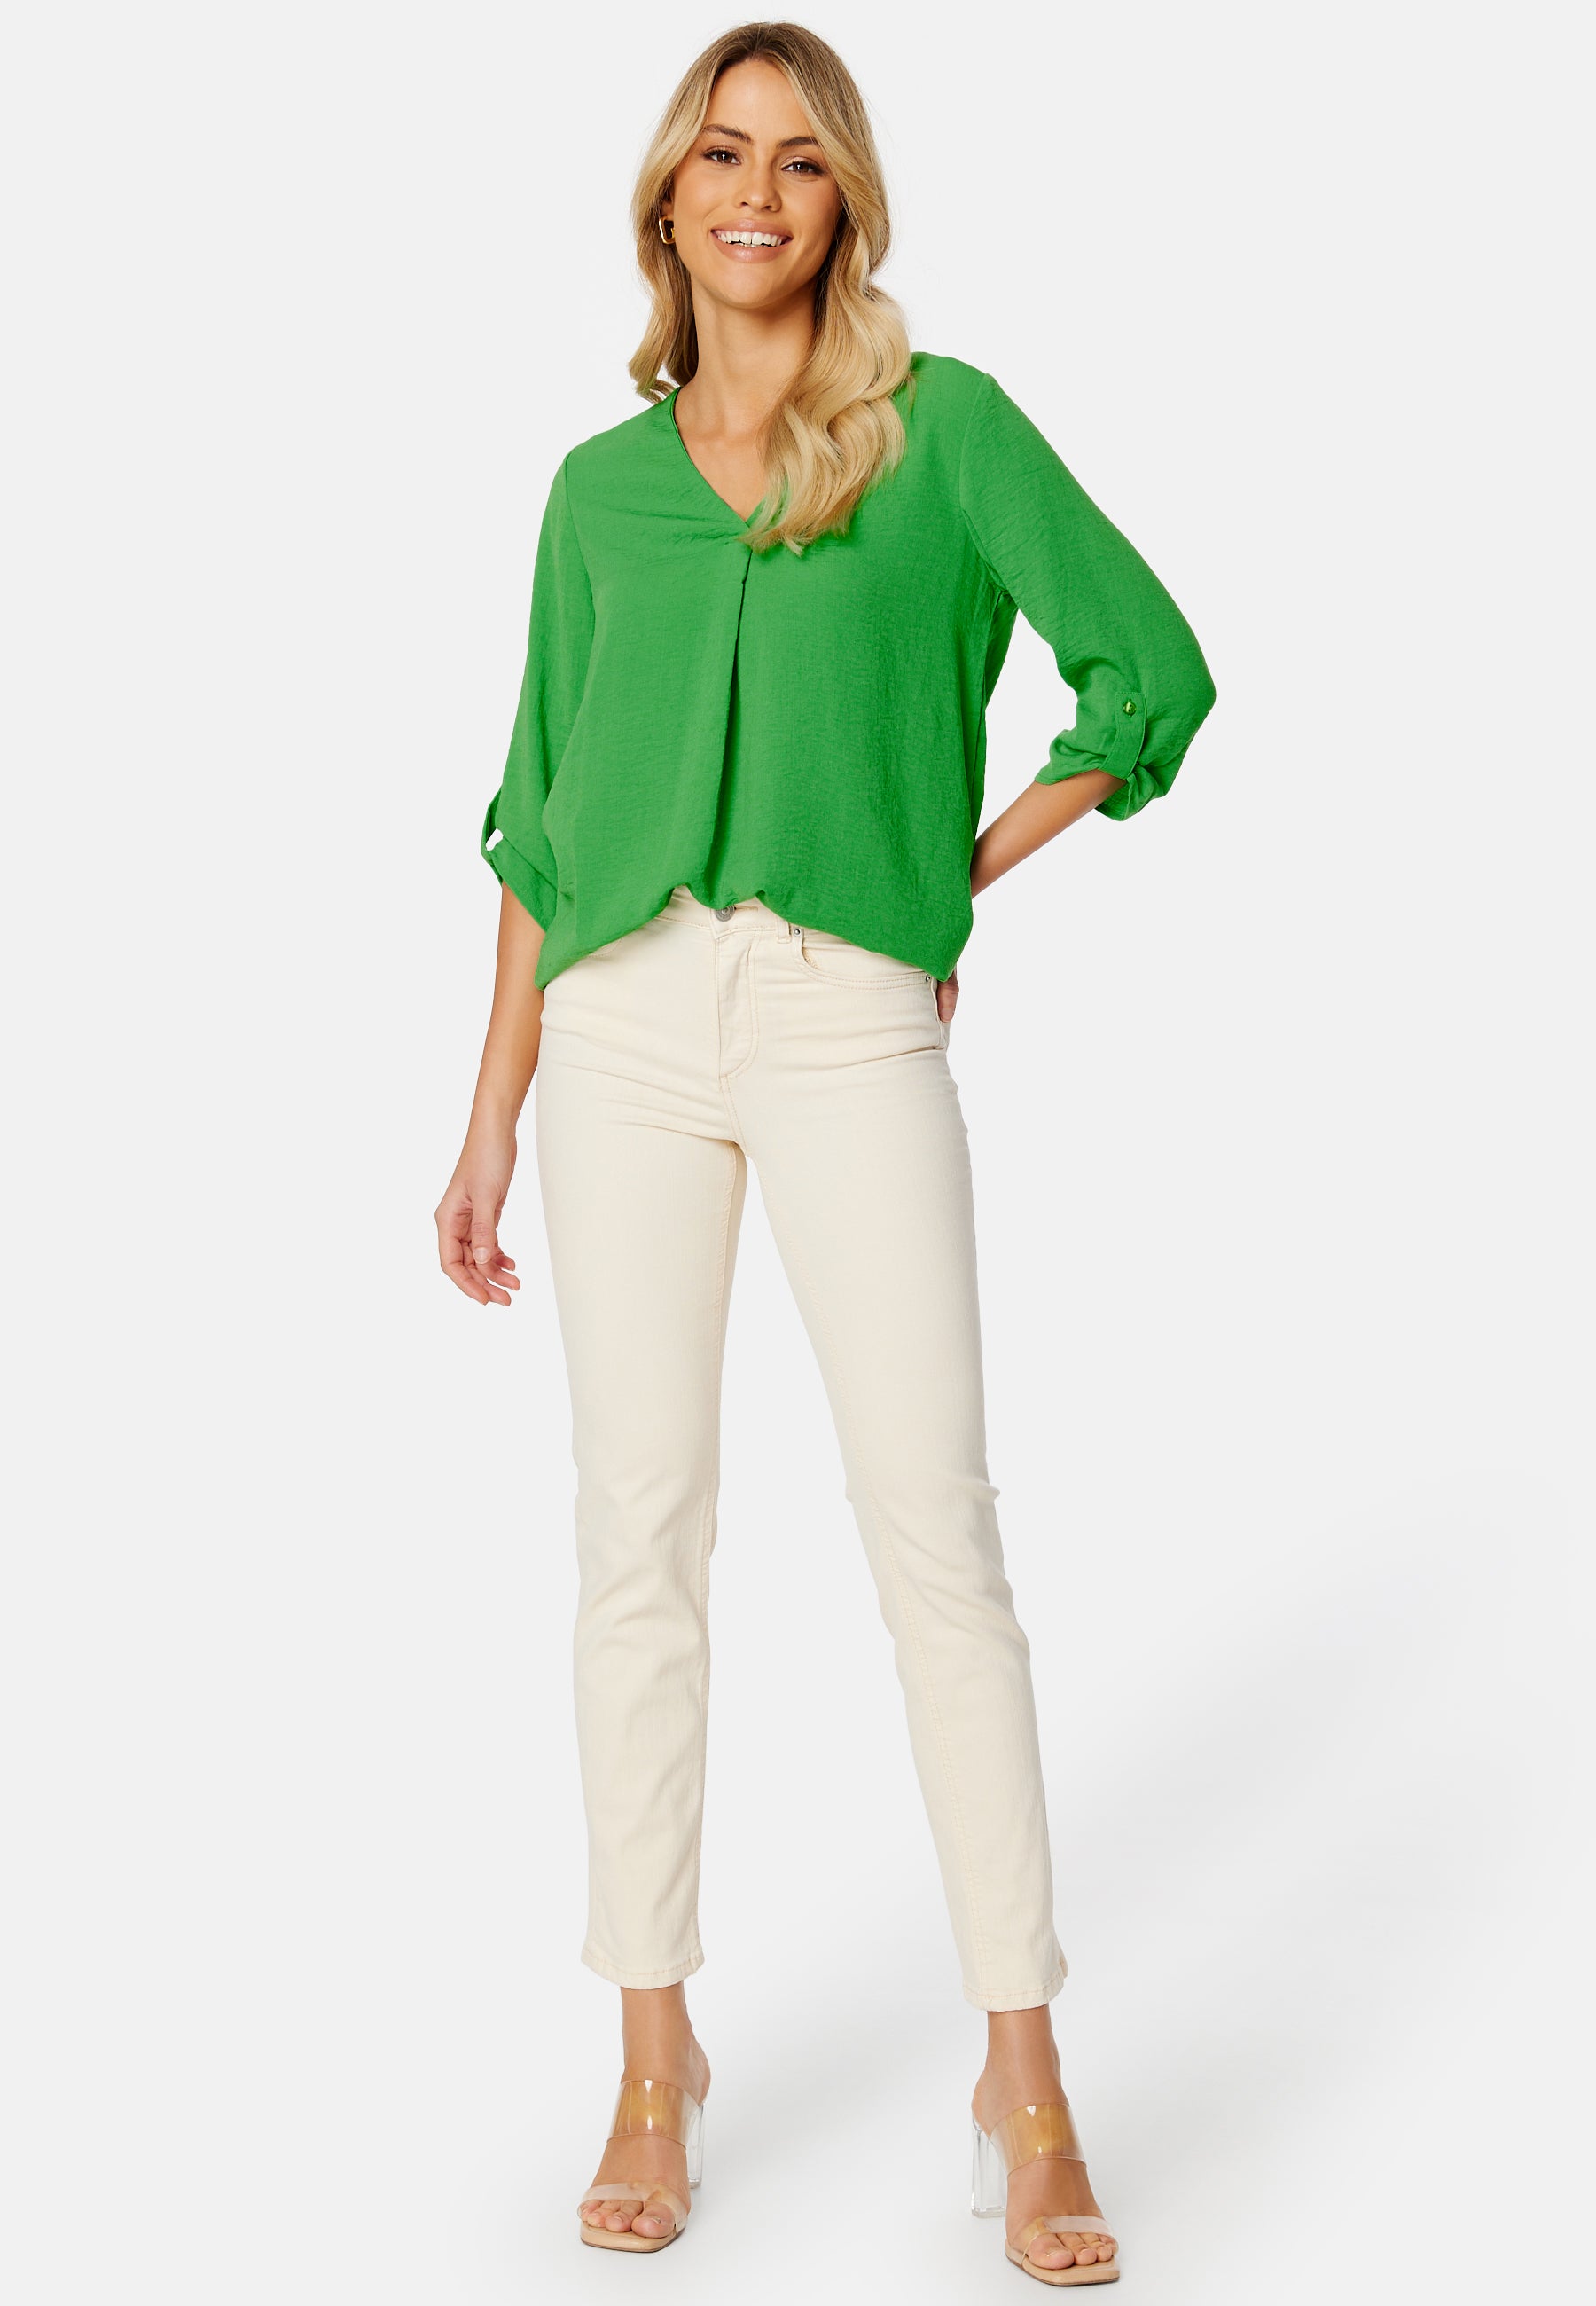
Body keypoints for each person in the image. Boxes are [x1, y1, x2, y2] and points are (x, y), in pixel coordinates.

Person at [435, 20, 1215, 2286]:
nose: (752, 190)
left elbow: (1149, 670)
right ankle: (652, 2052)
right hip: (619, 1027)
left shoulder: (941, 431)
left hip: (848, 1009)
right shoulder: (598, 491)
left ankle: (1026, 2074)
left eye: (795, 158)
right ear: (668, 202)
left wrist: (953, 871)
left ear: (843, 200)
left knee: (934, 1530)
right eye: (718, 154)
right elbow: (538, 816)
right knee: (638, 1535)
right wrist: (484, 1114)